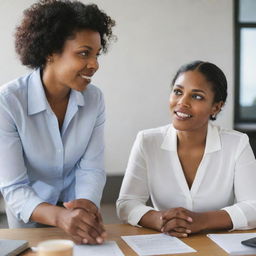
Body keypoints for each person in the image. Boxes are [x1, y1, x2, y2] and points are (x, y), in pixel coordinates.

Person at [0, 0, 115, 244]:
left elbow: (91, 167)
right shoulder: (8, 102)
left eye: (96, 54)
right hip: (30, 216)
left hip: (78, 216)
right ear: (51, 51)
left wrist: (84, 207)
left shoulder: (94, 99)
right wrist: (61, 217)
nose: (94, 64)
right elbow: (14, 186)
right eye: (84, 53)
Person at [116, 60, 256, 237]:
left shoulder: (237, 143)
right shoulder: (147, 141)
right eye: (177, 92)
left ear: (216, 107)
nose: (182, 102)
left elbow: (253, 206)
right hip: (166, 242)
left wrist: (203, 220)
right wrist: (160, 219)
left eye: (197, 96)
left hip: (219, 247)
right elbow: (127, 203)